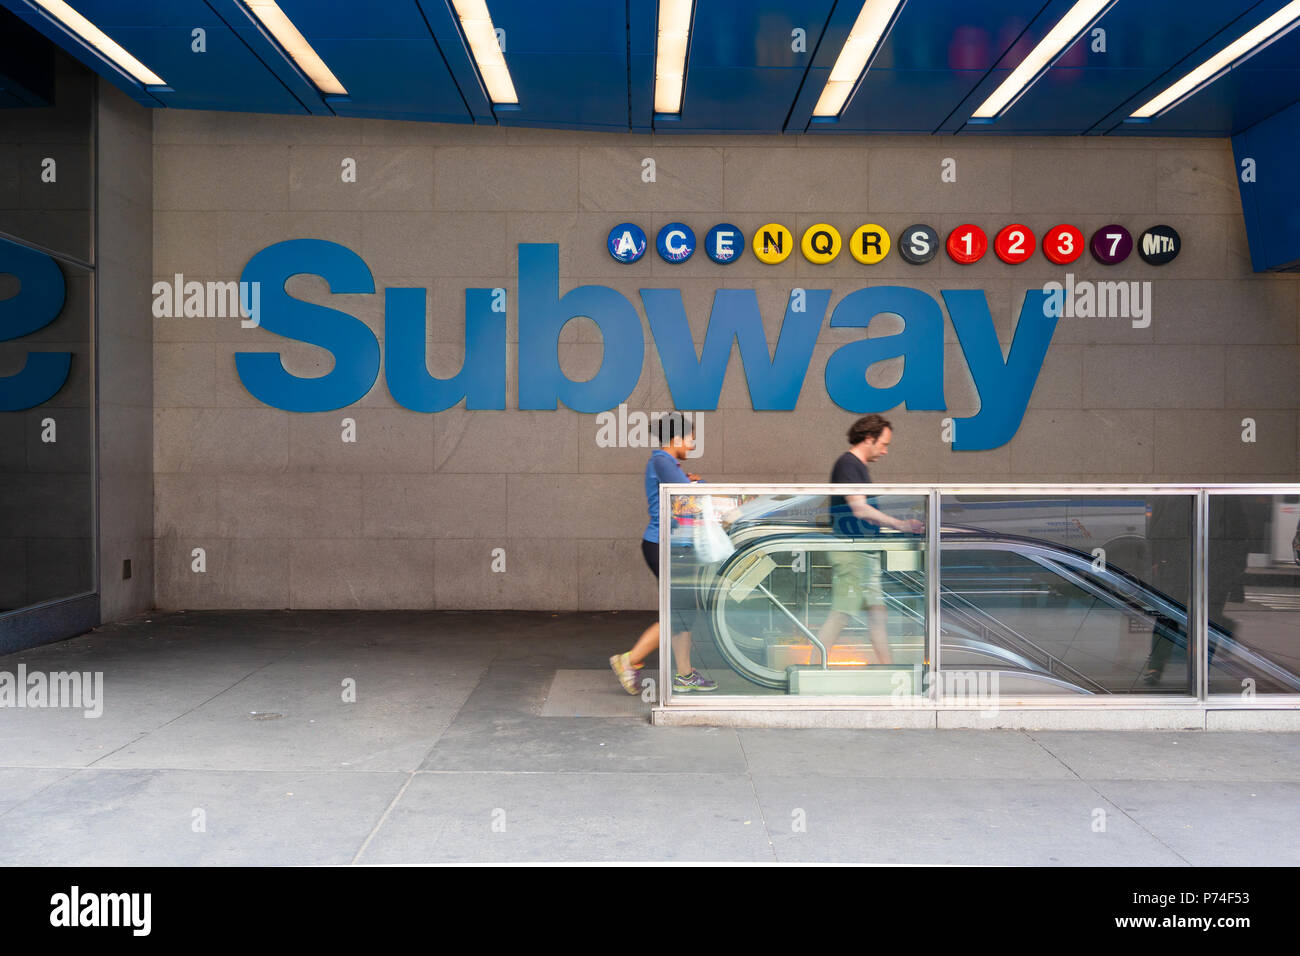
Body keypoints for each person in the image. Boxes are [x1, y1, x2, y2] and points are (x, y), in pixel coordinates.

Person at [610, 413, 718, 695]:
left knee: (685, 612)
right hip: (662, 545)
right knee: (676, 612)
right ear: (677, 438)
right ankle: (628, 660)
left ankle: (684, 674)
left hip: (673, 545)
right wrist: (700, 484)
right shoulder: (662, 460)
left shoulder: (669, 464)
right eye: (691, 440)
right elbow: (688, 500)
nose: (692, 446)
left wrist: (694, 483)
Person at [816, 414, 924, 666]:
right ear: (868, 438)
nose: (885, 451)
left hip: (863, 553)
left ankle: (889, 672)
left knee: (877, 616)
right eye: (883, 444)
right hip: (853, 553)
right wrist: (900, 524)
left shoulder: (856, 467)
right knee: (841, 614)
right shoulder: (849, 465)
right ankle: (812, 671)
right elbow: (860, 508)